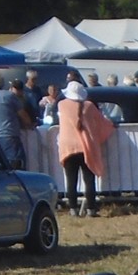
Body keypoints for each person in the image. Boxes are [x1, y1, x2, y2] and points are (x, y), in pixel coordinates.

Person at [56, 80, 114, 217]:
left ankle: (73, 209)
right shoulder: (89, 106)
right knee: (89, 179)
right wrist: (112, 125)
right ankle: (91, 209)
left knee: (71, 179)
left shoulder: (61, 105)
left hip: (67, 146)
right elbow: (102, 122)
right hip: (86, 146)